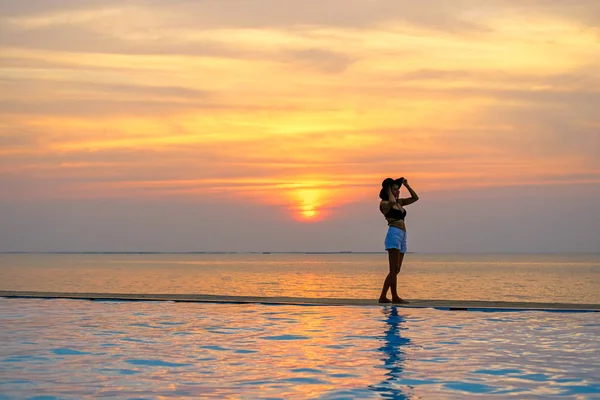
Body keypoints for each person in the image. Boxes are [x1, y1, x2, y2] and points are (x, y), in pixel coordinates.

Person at [378, 177, 419, 304]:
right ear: (389, 191)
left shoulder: (399, 203)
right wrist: (389, 189)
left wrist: (406, 185)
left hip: (402, 235)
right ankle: (394, 296)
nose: (398, 192)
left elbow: (415, 198)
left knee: (397, 269)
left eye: (398, 189)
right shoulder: (384, 203)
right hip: (394, 234)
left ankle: (383, 297)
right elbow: (390, 202)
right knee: (393, 269)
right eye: (395, 189)